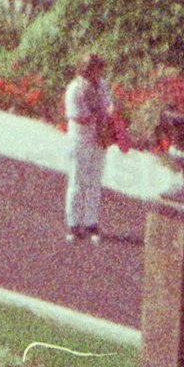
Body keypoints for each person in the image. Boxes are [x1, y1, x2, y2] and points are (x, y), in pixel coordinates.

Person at [61, 61, 116, 243]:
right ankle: (73, 224)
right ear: (88, 70)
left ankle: (91, 223)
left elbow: (109, 105)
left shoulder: (102, 86)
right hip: (80, 140)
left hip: (99, 138)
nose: (99, 74)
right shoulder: (74, 89)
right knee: (77, 180)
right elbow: (75, 115)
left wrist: (110, 112)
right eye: (96, 70)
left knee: (94, 181)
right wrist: (97, 116)